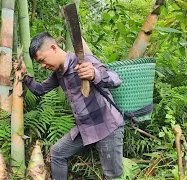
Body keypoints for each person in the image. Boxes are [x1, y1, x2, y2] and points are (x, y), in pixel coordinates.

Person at [16, 32, 125, 180]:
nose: (43, 66)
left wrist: (94, 74)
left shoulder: (83, 60)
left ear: (54, 48)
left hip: (106, 125)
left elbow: (116, 79)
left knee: (111, 176)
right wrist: (25, 76)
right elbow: (40, 90)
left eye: (42, 60)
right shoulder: (58, 73)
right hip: (85, 127)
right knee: (57, 153)